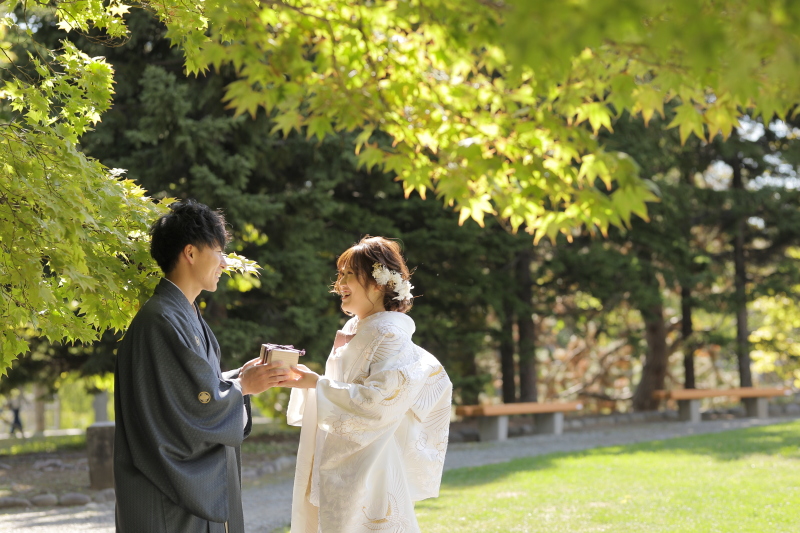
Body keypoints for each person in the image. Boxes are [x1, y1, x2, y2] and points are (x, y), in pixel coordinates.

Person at [114, 199, 289, 533]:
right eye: (219, 251)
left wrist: (239, 378)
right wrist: (243, 387)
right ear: (190, 253)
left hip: (178, 492)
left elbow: (191, 389)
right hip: (166, 496)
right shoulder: (160, 319)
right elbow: (189, 407)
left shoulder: (182, 313)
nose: (224, 263)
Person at [283, 236, 452, 533]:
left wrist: (317, 385)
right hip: (339, 448)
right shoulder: (356, 327)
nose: (340, 283)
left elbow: (380, 401)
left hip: (371, 455)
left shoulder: (390, 334)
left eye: (350, 274)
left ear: (378, 284)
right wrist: (310, 382)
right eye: (341, 274)